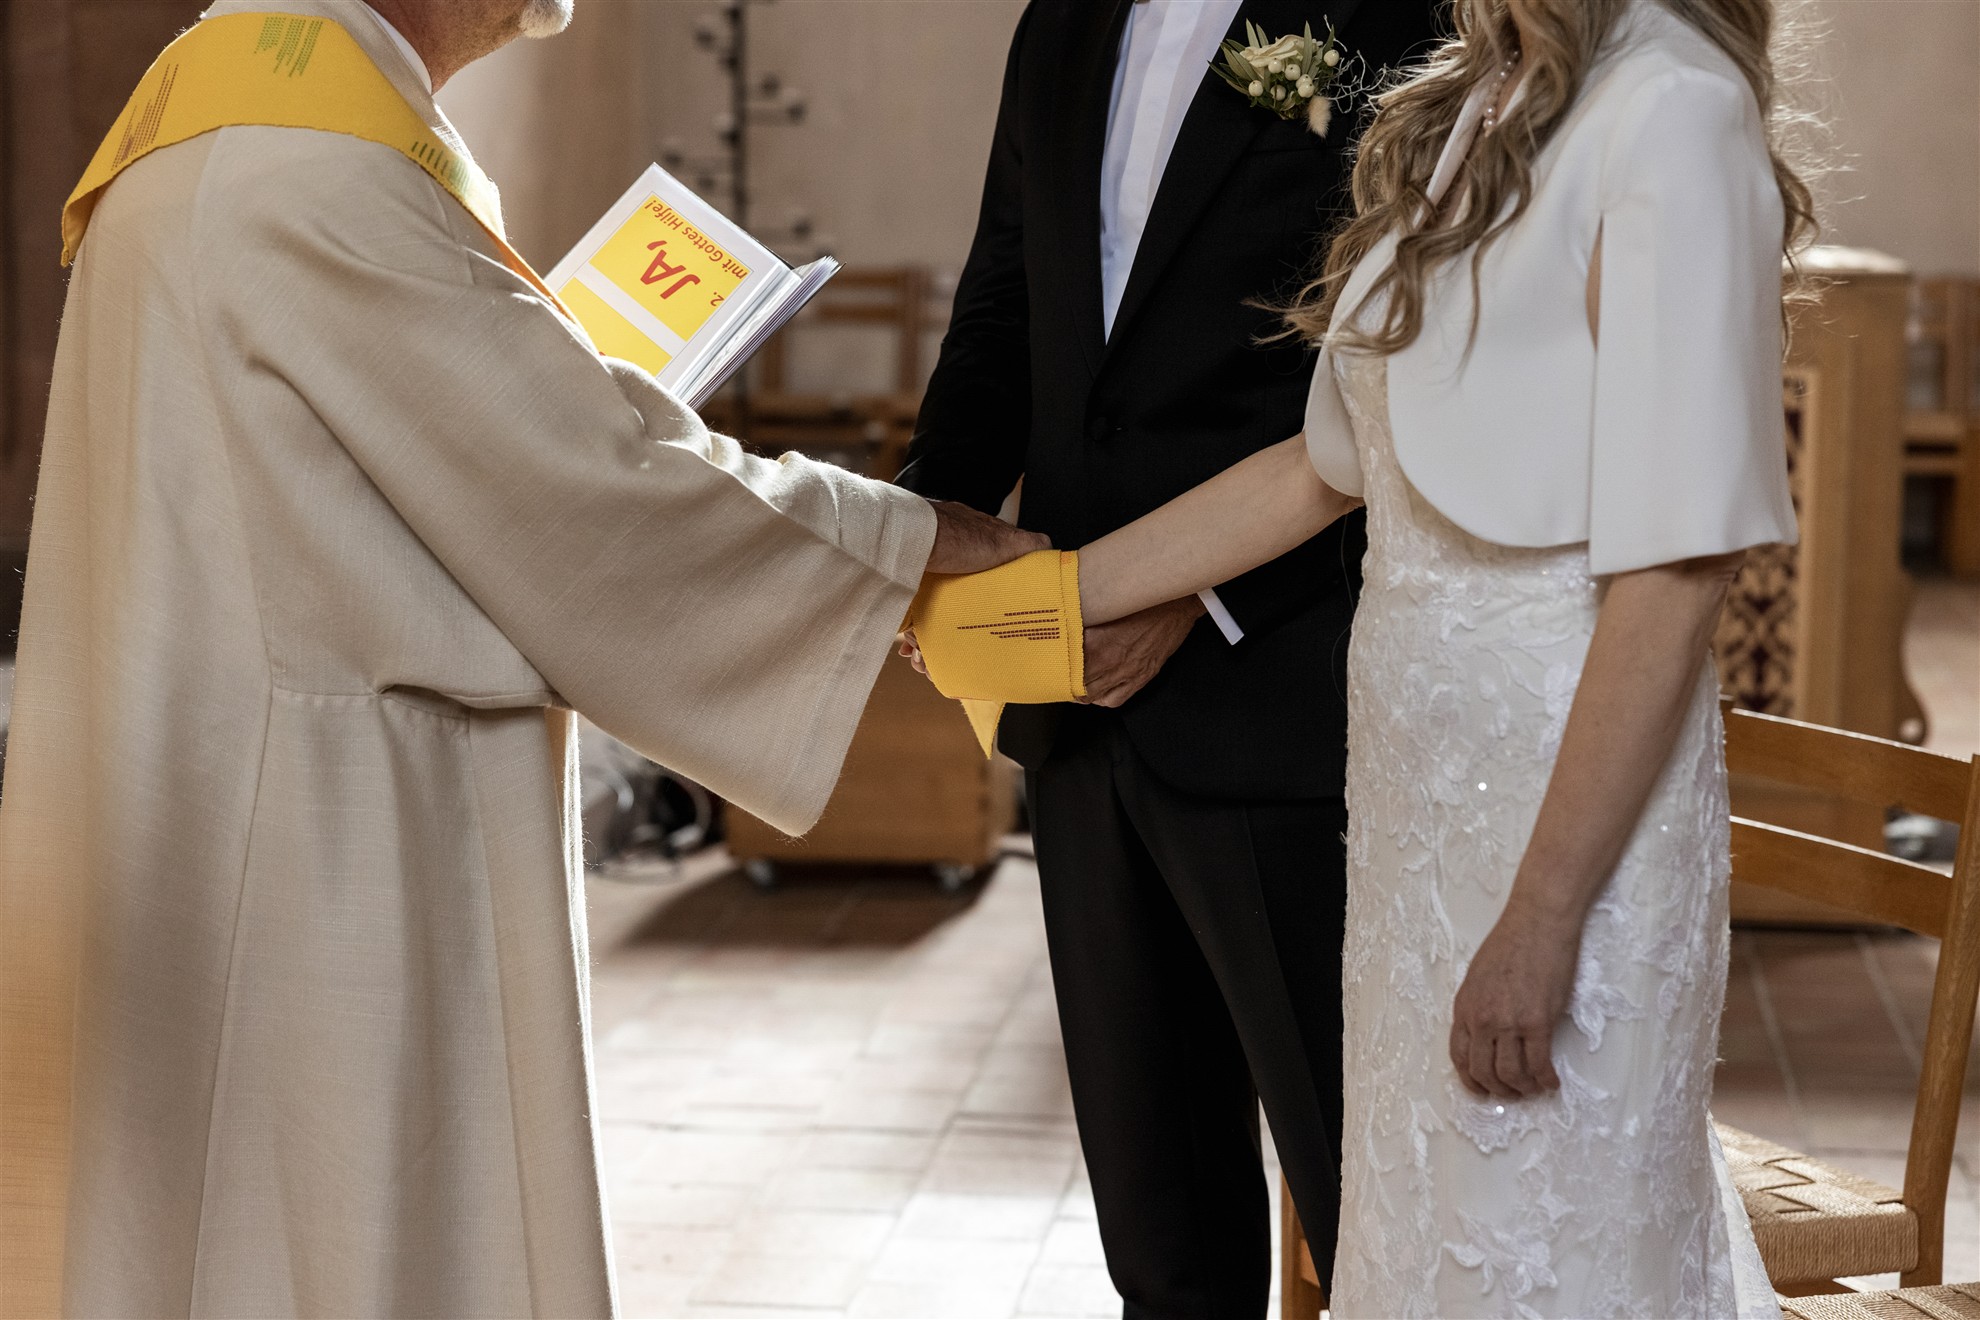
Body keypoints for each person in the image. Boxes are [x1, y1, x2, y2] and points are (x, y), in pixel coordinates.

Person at [0, 0, 1043, 1314]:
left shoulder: (229, 124)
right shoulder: (320, 171)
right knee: (328, 1244)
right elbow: (600, 500)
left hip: (248, 807)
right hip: (324, 860)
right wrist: (912, 541)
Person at [1040, 0, 1810, 1312]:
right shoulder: (1462, 106)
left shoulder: (1673, 108)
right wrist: (1045, 601)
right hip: (1408, 831)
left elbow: (1675, 576)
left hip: (1563, 823)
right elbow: (1323, 469)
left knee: (1543, 1250)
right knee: (1412, 1236)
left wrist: (1544, 919)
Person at [895, 1, 1443, 1311]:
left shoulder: (1398, 12)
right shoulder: (1065, 22)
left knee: (1368, 1199)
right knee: (1160, 1232)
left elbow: (1391, 372)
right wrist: (922, 532)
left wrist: (1200, 589)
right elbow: (1004, 298)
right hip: (1073, 699)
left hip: (1284, 684)